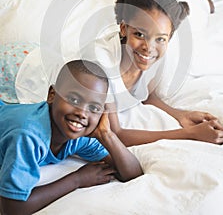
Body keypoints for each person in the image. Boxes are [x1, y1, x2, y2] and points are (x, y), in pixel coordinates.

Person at [86, 0, 223, 147]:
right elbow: (115, 133)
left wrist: (181, 115)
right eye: (140, 34)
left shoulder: (154, 54)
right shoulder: (100, 64)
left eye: (160, 38)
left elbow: (147, 95)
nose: (148, 47)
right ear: (124, 29)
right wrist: (190, 134)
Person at [0, 59, 142, 215]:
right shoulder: (27, 135)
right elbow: (13, 208)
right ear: (52, 95)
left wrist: (107, 135)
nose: (82, 113)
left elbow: (132, 174)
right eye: (74, 99)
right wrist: (77, 179)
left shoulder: (80, 136)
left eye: (93, 108)